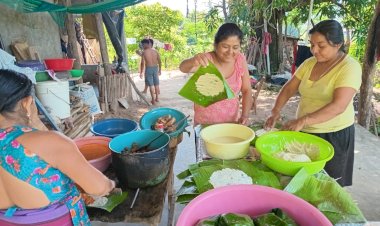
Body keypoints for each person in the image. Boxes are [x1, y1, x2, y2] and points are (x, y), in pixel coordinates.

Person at [0, 70, 116, 225]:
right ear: (27, 103)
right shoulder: (51, 142)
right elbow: (98, 187)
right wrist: (111, 184)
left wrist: (34, 122)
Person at [264, 20, 362, 187]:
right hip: (305, 131)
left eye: (321, 46)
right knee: (302, 182)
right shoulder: (309, 63)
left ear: (337, 44)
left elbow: (338, 106)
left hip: (334, 135)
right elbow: (288, 89)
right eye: (312, 44)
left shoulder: (349, 67)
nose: (314, 50)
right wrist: (275, 111)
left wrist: (302, 120)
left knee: (328, 186)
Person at [179, 23, 253, 125]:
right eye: (225, 46)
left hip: (232, 123)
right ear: (215, 45)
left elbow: (247, 90)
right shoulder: (206, 60)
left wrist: (245, 115)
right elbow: (183, 68)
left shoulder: (240, 59)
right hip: (205, 125)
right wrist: (192, 60)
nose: (230, 52)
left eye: (235, 47)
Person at [140, 38, 162, 105]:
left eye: (143, 45)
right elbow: (160, 61)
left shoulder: (144, 52)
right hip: (155, 68)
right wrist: (160, 70)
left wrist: (141, 72)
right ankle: (157, 98)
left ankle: (153, 100)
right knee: (156, 83)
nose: (143, 46)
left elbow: (142, 63)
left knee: (151, 85)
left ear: (146, 44)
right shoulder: (156, 51)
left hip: (149, 68)